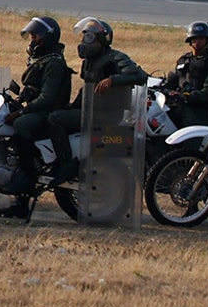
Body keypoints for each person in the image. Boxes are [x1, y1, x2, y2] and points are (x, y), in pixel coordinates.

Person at [47, 17, 147, 186]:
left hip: (106, 114)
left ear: (101, 39)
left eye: (88, 37)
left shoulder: (115, 57)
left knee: (55, 119)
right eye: (83, 37)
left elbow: (140, 76)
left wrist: (112, 80)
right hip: (92, 111)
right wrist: (72, 106)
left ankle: (67, 165)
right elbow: (86, 89)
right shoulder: (89, 62)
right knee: (58, 113)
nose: (84, 41)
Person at [0, 16, 71, 222]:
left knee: (20, 125)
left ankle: (30, 174)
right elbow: (34, 89)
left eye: (36, 35)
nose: (32, 39)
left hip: (49, 112)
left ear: (48, 37)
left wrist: (21, 112)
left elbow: (47, 98)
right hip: (39, 108)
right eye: (31, 35)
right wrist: (20, 98)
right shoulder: (42, 59)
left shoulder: (54, 63)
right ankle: (19, 202)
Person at [162, 22, 208, 129]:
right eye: (194, 38)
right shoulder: (184, 59)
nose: (197, 41)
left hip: (199, 112)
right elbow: (172, 81)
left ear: (207, 40)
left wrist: (187, 96)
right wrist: (165, 91)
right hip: (179, 106)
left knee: (189, 139)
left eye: (201, 38)